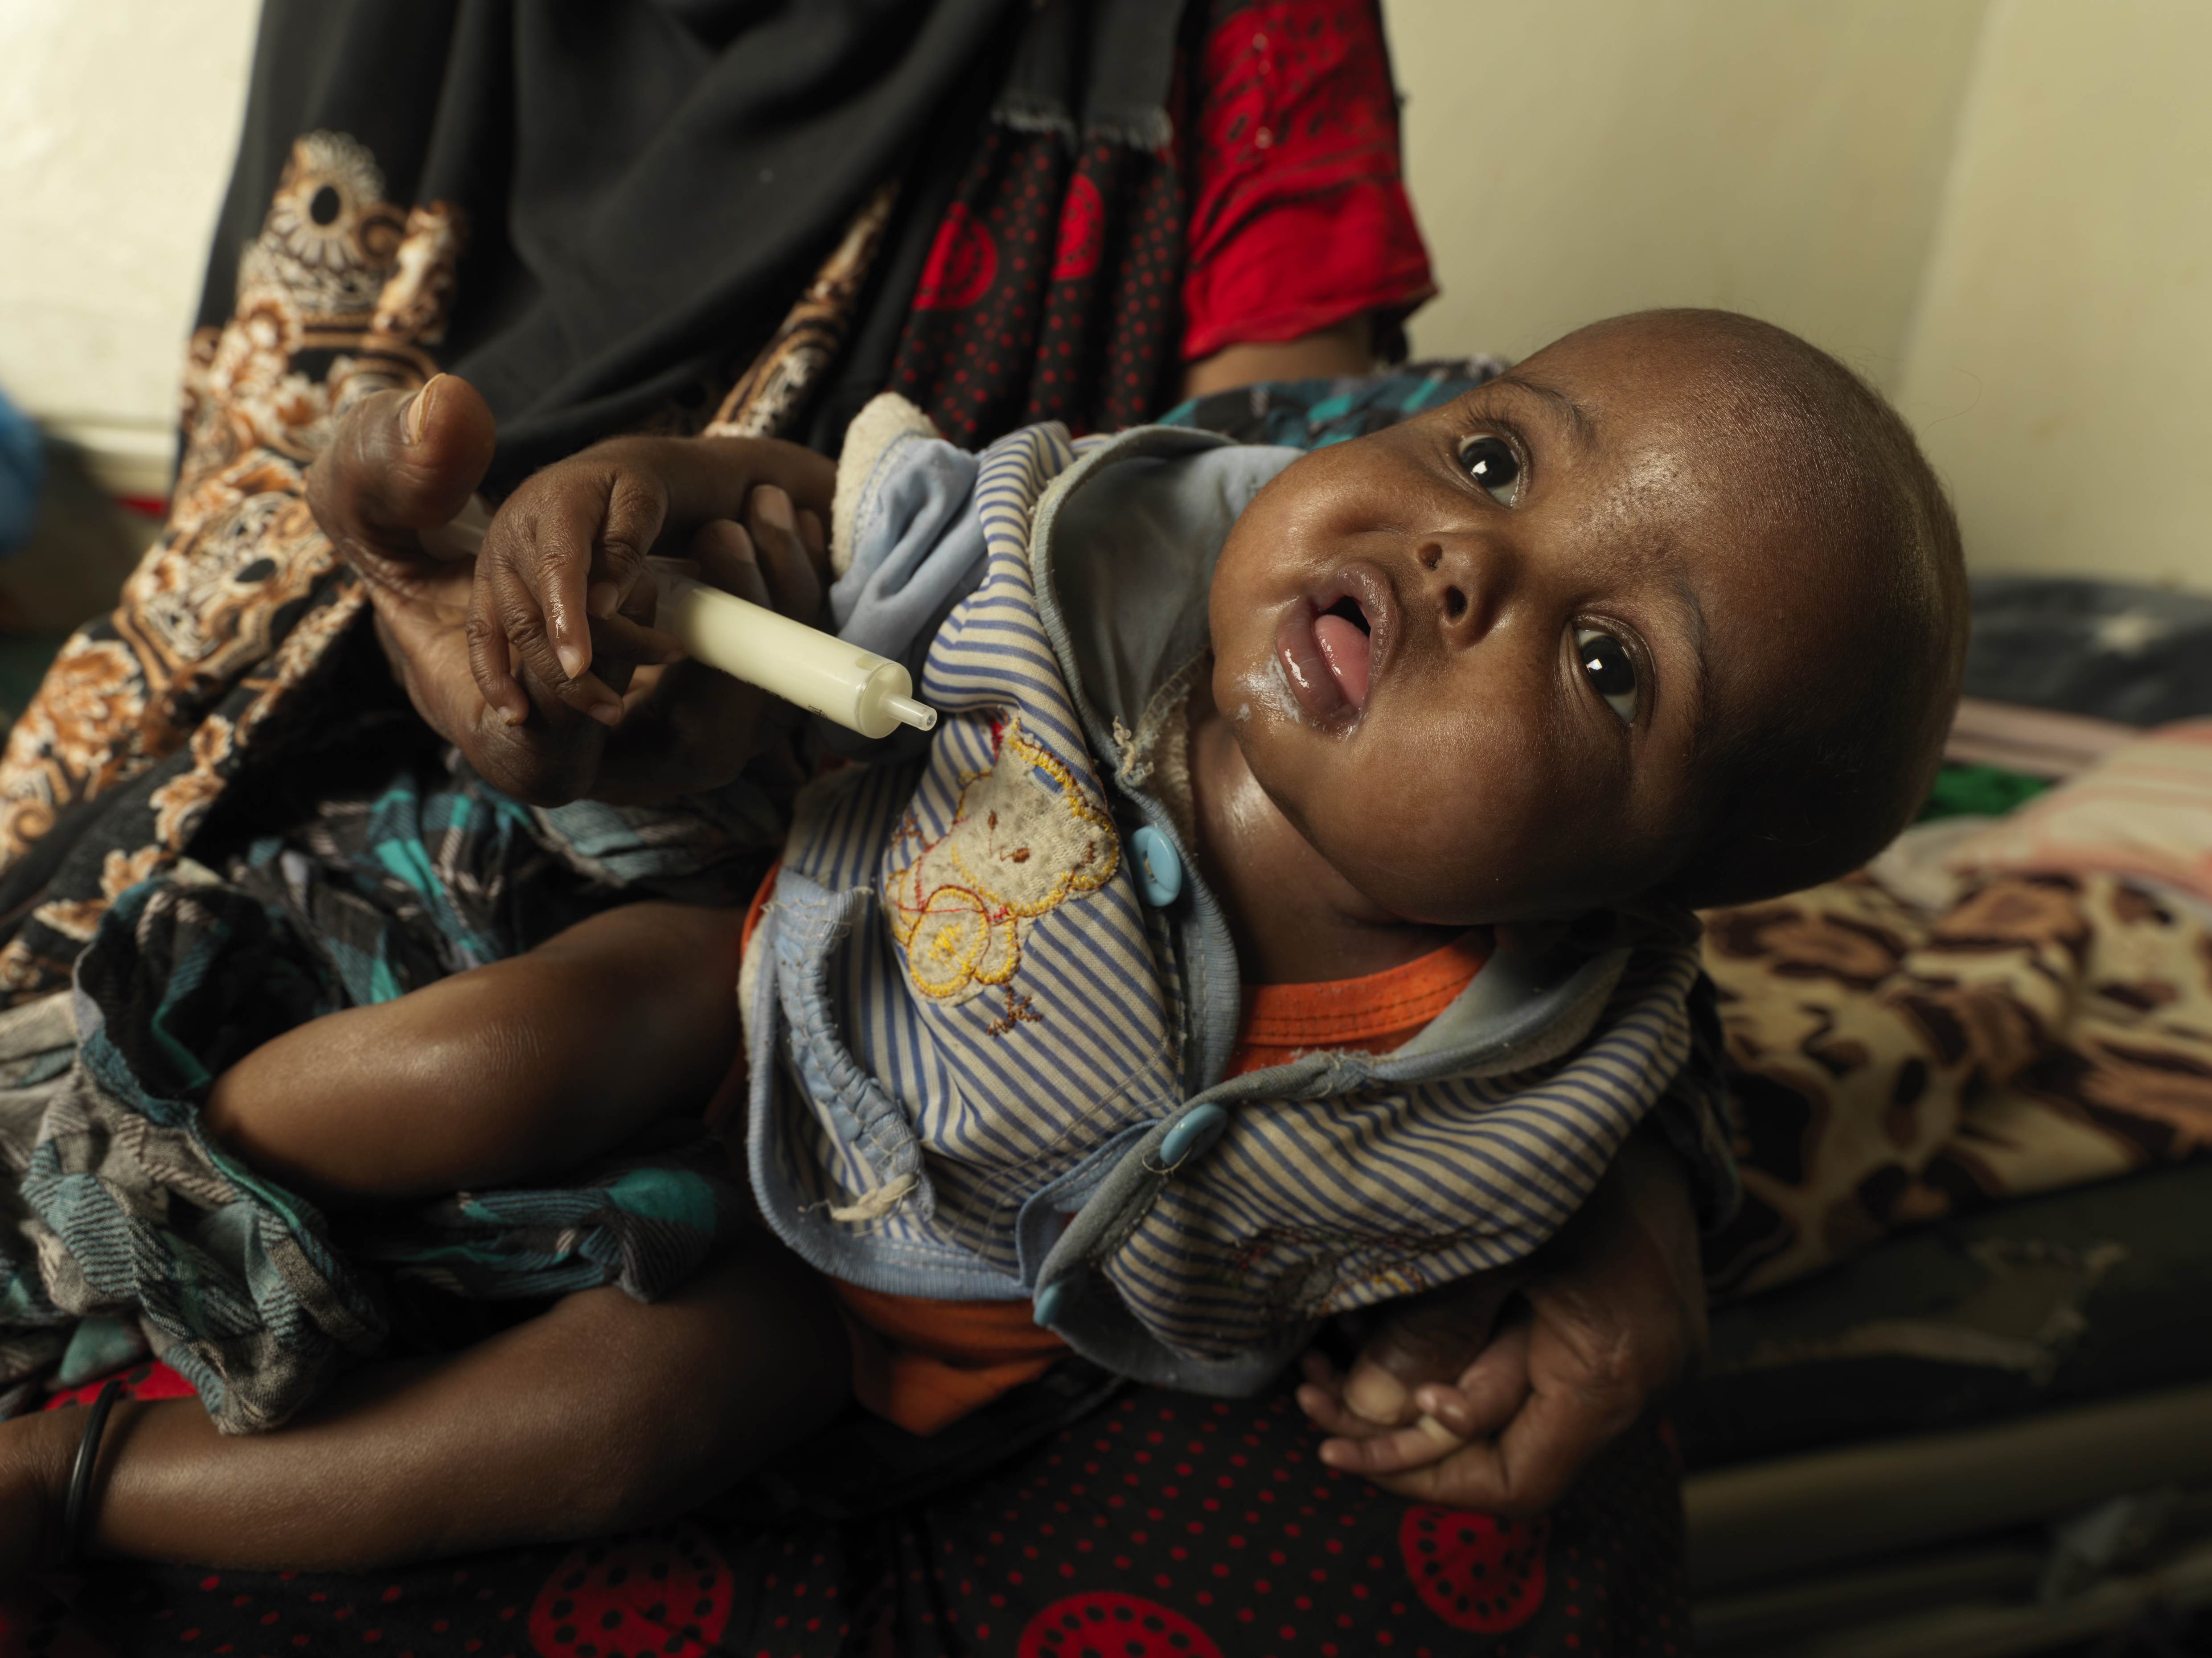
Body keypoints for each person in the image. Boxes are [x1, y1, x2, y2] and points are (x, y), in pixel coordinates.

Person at [0, 306, 1958, 1573]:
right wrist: (638, 507)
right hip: (754, 995)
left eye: (1608, 663)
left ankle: (85, 1500)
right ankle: (111, 1186)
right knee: (492, 1055)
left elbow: (1603, 1173)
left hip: (866, 1321)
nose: (1474, 562)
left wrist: (1540, 1307)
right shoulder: (1076, 567)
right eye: (1491, 456)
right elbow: (802, 526)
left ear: (1644, 884)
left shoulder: (1543, 1056)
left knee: (636, 1431)